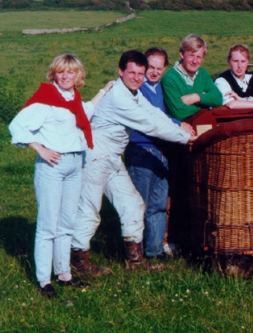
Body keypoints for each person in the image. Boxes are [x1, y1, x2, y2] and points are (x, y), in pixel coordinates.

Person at [70, 50, 196, 277]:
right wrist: (186, 138)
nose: (137, 77)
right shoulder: (118, 97)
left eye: (141, 73)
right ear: (121, 72)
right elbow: (150, 125)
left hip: (112, 157)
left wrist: (180, 130)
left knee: (133, 205)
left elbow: (155, 114)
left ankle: (135, 260)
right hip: (95, 157)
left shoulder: (133, 94)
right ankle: (78, 261)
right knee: (89, 209)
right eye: (132, 73)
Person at [9, 54, 112, 298]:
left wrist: (104, 90)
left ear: (78, 75)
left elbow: (85, 110)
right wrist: (40, 148)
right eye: (60, 72)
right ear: (53, 74)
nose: (65, 76)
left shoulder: (73, 97)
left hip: (76, 163)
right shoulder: (46, 99)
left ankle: (64, 273)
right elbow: (17, 125)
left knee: (67, 222)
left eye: (71, 72)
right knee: (48, 225)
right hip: (52, 166)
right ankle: (44, 280)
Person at [124, 47, 195, 260]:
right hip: (142, 149)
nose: (154, 73)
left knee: (158, 204)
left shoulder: (161, 88)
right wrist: (177, 124)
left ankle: (154, 251)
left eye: (159, 68)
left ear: (165, 68)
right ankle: (134, 254)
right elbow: (150, 117)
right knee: (139, 204)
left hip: (162, 151)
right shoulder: (139, 89)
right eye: (150, 67)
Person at [162, 34, 223, 121]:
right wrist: (206, 104)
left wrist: (196, 97)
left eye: (198, 57)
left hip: (201, 124)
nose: (195, 61)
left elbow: (218, 98)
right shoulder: (169, 79)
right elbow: (179, 113)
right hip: (181, 129)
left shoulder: (202, 73)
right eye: (191, 56)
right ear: (182, 54)